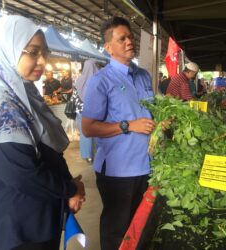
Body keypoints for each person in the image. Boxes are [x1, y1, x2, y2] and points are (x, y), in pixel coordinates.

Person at [0, 15, 85, 250]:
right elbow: (22, 172)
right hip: (17, 229)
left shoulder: (22, 93)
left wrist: (67, 185)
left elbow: (45, 150)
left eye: (45, 52)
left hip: (38, 219)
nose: (42, 60)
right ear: (5, 49)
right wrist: (70, 189)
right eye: (32, 51)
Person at [81, 16, 155, 250]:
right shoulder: (101, 81)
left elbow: (151, 112)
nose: (129, 42)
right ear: (108, 47)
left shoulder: (143, 76)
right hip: (118, 171)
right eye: (121, 39)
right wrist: (127, 125)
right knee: (117, 229)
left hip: (147, 166)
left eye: (130, 36)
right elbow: (88, 127)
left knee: (141, 224)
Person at [73, 59, 101, 163]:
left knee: (85, 134)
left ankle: (87, 155)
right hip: (95, 112)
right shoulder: (98, 79)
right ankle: (97, 153)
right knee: (97, 133)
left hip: (80, 111)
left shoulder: (79, 80)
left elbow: (75, 97)